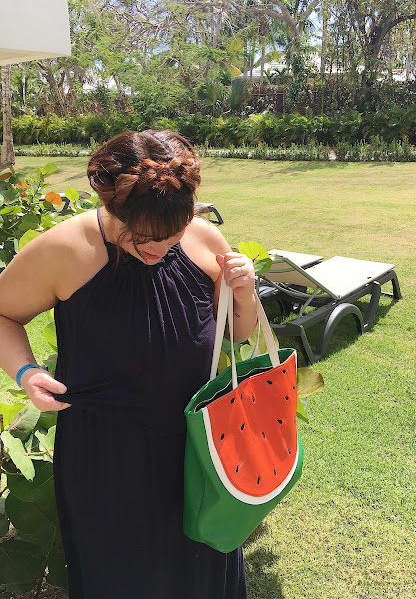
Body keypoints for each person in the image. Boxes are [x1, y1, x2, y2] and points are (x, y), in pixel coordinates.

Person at [0, 130, 258, 598]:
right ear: (112, 206)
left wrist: (244, 292)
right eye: (141, 237)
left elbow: (235, 334)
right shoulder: (65, 249)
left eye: (172, 235)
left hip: (199, 449)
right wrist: (26, 372)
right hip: (106, 463)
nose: (159, 249)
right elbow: (2, 312)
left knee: (203, 574)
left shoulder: (203, 238)